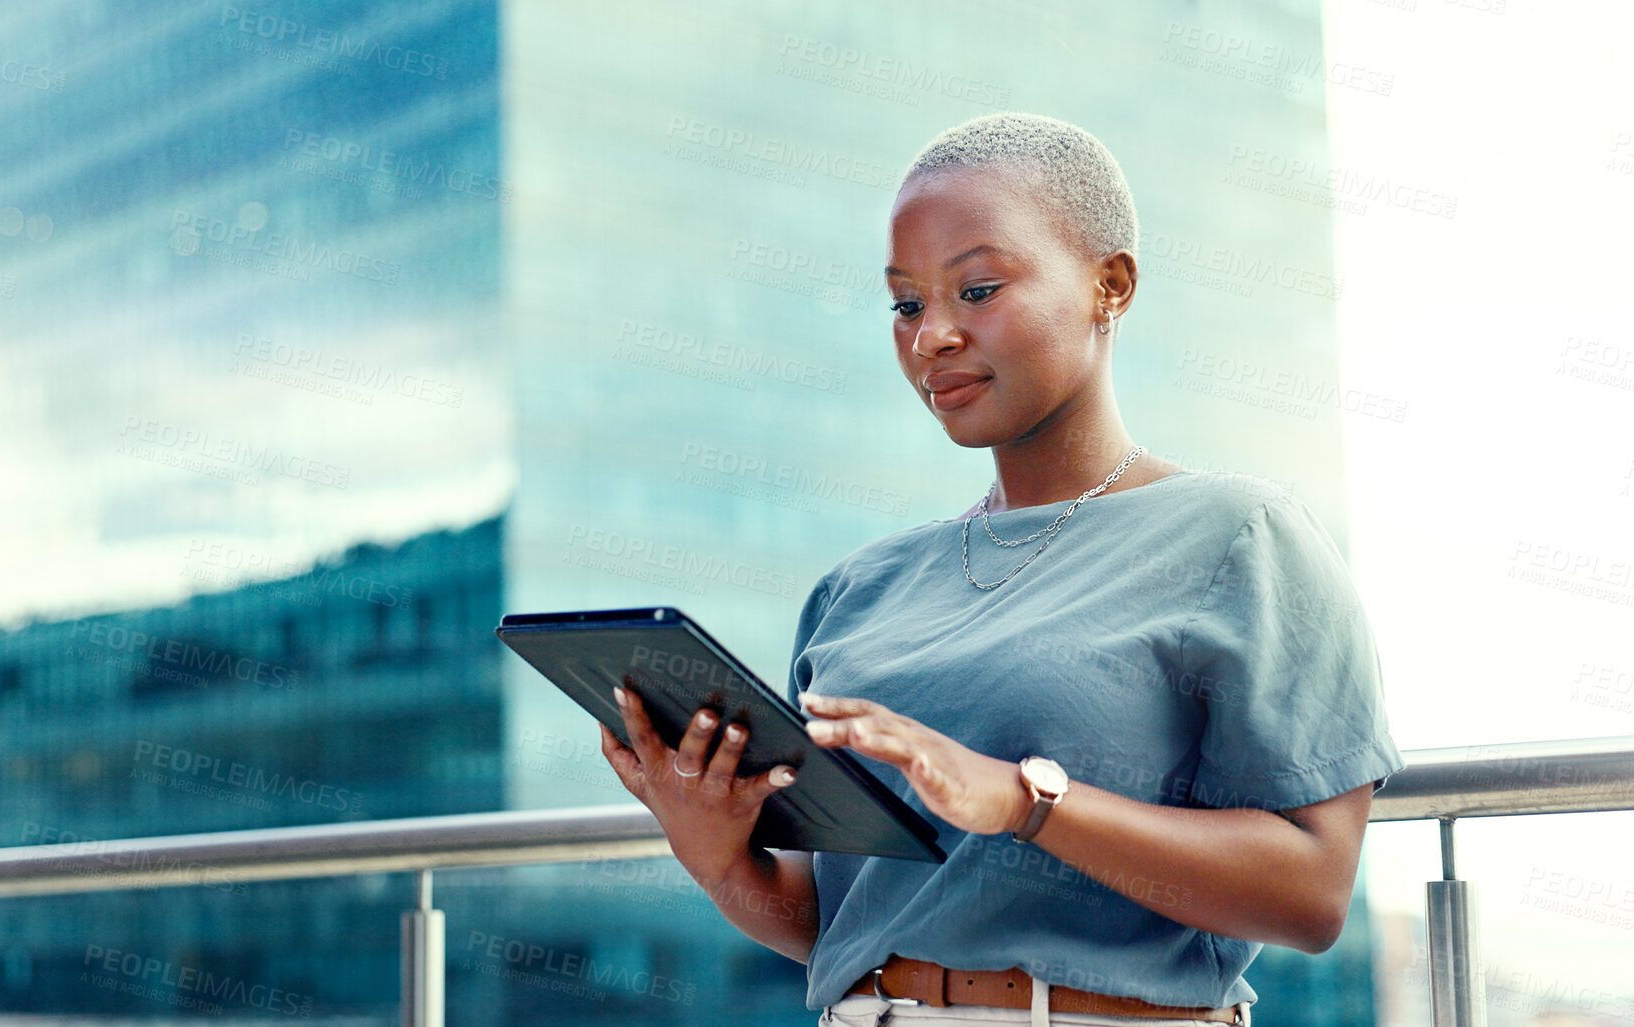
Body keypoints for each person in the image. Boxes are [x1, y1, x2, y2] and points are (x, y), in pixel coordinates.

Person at [599, 112, 1406, 1027]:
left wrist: (1024, 800)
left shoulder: (1240, 536)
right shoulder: (857, 591)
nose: (930, 335)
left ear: (1111, 284)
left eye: (976, 289)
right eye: (905, 304)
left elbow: (1310, 894)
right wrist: (715, 852)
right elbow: (837, 926)